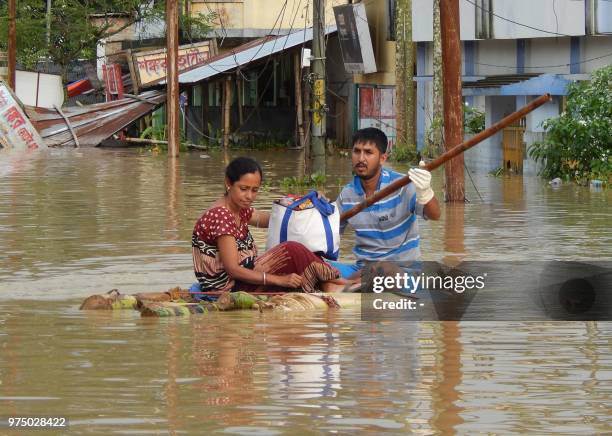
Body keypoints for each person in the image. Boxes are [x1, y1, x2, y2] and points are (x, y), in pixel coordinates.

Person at [192, 157, 349, 293]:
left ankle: (331, 282)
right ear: (228, 183)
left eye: (254, 190)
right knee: (291, 249)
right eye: (243, 189)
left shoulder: (239, 209)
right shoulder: (221, 215)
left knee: (299, 246)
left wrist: (307, 205)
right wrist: (279, 280)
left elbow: (275, 220)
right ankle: (336, 283)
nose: (249, 196)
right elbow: (233, 270)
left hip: (246, 275)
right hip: (230, 287)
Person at [331, 127, 441, 279]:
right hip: (361, 269)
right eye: (357, 151)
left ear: (383, 158)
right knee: (315, 265)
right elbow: (329, 234)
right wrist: (318, 209)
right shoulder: (347, 195)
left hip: (402, 272)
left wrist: (426, 192)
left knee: (385, 269)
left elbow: (435, 215)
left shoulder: (402, 185)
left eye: (368, 152)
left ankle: (348, 285)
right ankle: (352, 284)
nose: (361, 158)